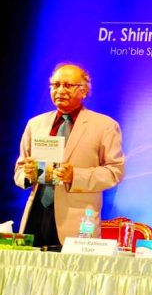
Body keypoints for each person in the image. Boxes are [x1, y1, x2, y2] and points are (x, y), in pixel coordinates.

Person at [14, 63, 125, 248]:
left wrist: (75, 176)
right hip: (36, 213)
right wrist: (27, 174)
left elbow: (115, 172)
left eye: (68, 85)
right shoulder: (36, 124)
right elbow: (19, 169)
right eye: (55, 85)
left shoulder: (105, 125)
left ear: (84, 91)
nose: (60, 91)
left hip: (77, 220)